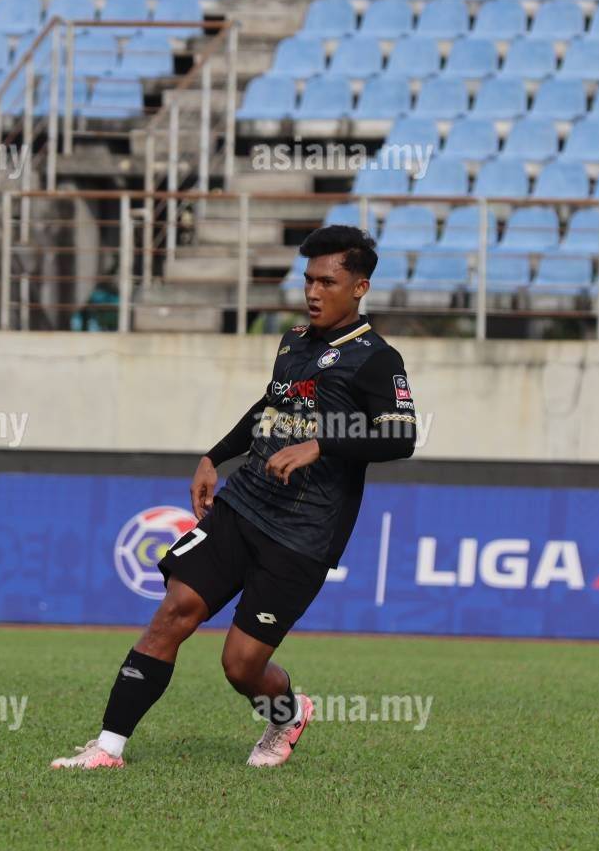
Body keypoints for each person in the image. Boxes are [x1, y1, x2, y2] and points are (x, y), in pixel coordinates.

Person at [52, 225, 417, 770]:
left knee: (241, 665)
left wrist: (321, 444)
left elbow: (401, 436)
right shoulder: (293, 341)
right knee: (173, 612)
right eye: (309, 280)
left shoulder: (377, 359)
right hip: (243, 503)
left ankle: (287, 714)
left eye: (328, 282)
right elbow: (268, 407)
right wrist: (214, 456)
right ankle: (108, 748)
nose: (313, 292)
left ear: (360, 287)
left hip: (302, 532)